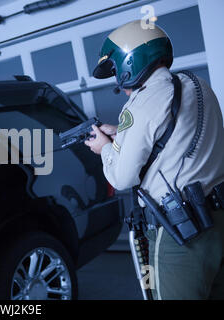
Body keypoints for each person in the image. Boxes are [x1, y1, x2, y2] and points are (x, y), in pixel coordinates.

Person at [84, 20, 224, 300]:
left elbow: (122, 178)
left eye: (114, 70)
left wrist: (105, 149)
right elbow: (174, 143)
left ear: (129, 62)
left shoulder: (141, 104)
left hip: (181, 233)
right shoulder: (196, 84)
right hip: (218, 221)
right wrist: (120, 134)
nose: (117, 80)